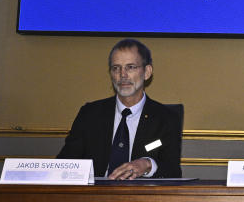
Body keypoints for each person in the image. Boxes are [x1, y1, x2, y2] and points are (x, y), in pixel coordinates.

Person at [57, 38, 182, 179]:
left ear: (147, 72)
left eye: (130, 67)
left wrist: (147, 164)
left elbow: (173, 171)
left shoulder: (166, 119)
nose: (122, 75)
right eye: (116, 68)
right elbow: (64, 163)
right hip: (93, 197)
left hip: (142, 198)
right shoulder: (90, 114)